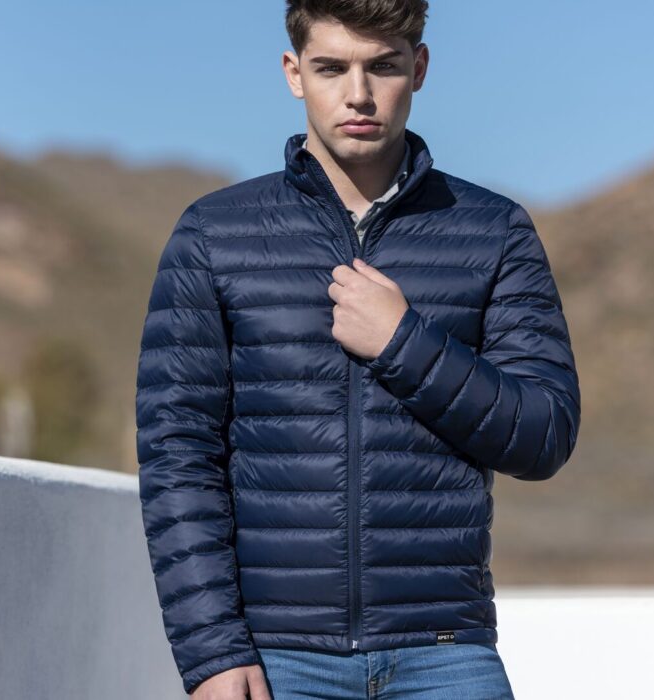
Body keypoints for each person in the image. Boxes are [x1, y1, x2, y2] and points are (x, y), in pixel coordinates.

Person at [135, 0, 581, 698]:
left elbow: (544, 435)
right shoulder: (214, 235)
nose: (359, 94)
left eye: (383, 67)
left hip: (446, 653)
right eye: (331, 68)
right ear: (294, 73)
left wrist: (404, 342)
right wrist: (212, 650)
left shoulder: (494, 231)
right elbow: (177, 456)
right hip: (278, 659)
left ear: (419, 67)